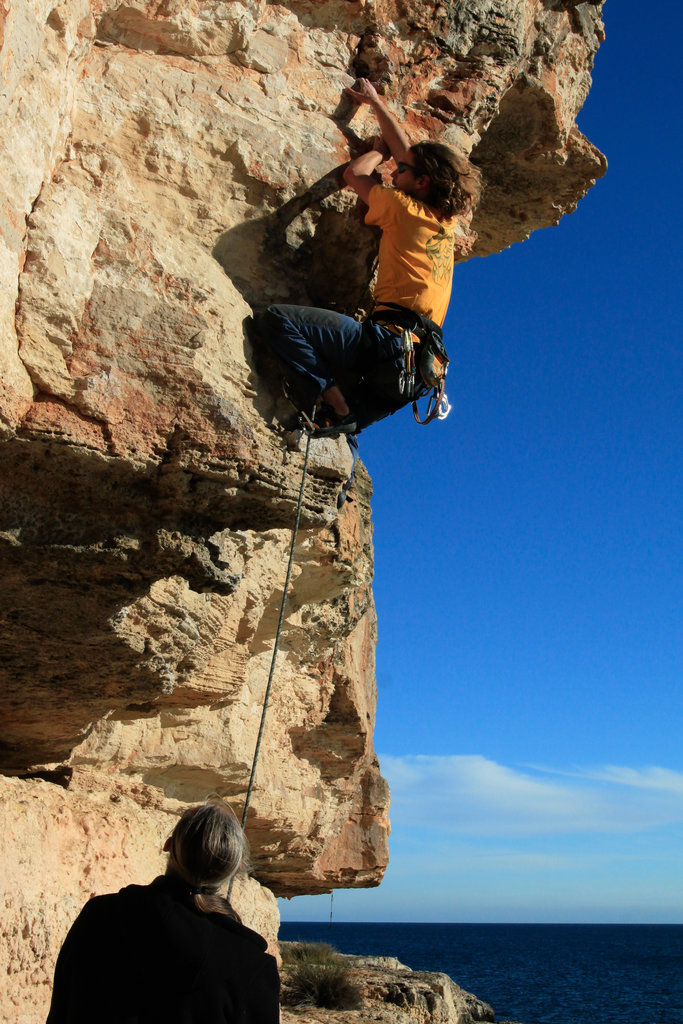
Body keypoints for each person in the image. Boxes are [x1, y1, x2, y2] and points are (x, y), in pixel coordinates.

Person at [260, 78, 481, 464]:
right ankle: (340, 450)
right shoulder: (444, 223)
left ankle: (334, 402)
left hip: (387, 348)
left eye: (403, 171)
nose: (396, 172)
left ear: (422, 182)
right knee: (345, 432)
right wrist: (376, 103)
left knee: (280, 321)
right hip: (417, 375)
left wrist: (377, 152)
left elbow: (354, 174)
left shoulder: (403, 209)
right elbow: (409, 152)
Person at [46, 799, 280, 1024]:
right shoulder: (250, 966)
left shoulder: (98, 918)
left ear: (168, 844)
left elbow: (61, 1012)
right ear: (237, 867)